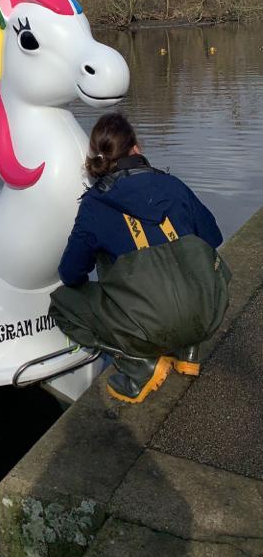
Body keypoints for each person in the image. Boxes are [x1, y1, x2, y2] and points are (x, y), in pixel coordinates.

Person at [49, 112, 231, 404]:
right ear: (136, 148)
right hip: (208, 311)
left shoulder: (94, 205)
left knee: (63, 303)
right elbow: (213, 238)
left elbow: (71, 274)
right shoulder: (173, 185)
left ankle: (140, 363)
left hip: (148, 324)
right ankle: (188, 349)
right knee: (191, 270)